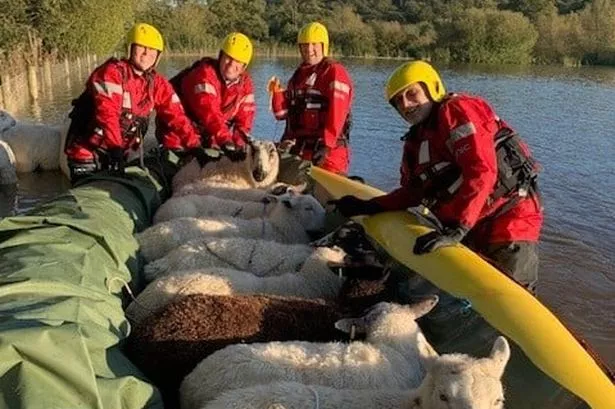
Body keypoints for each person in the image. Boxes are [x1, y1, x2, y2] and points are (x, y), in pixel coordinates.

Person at [331, 61, 543, 293]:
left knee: (511, 291)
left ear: (432, 88)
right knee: (470, 289)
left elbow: (481, 169)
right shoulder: (415, 142)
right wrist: (370, 206)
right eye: (398, 101)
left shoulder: (456, 111)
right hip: (470, 223)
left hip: (509, 217)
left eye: (412, 94)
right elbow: (412, 193)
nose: (406, 105)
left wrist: (460, 227)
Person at [64, 23, 206, 182]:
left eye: (152, 50)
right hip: (88, 152)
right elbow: (108, 115)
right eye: (141, 47)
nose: (147, 53)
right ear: (130, 48)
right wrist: (115, 149)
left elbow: (177, 117)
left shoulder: (157, 84)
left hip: (119, 152)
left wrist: (195, 147)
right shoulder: (111, 73)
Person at [269, 22, 353, 175]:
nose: (309, 49)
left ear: (323, 46)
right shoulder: (297, 76)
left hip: (328, 153)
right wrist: (277, 93)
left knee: (323, 187)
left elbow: (338, 112)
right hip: (300, 150)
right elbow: (282, 115)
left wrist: (327, 145)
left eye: (314, 44)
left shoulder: (334, 71)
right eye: (305, 45)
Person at [161, 32, 255, 162]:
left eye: (238, 61)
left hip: (209, 136)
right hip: (178, 134)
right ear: (221, 56)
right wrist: (226, 141)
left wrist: (239, 147)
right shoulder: (204, 74)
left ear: (244, 66)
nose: (231, 64)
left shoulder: (245, 85)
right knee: (180, 165)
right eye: (228, 58)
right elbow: (209, 112)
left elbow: (244, 121)